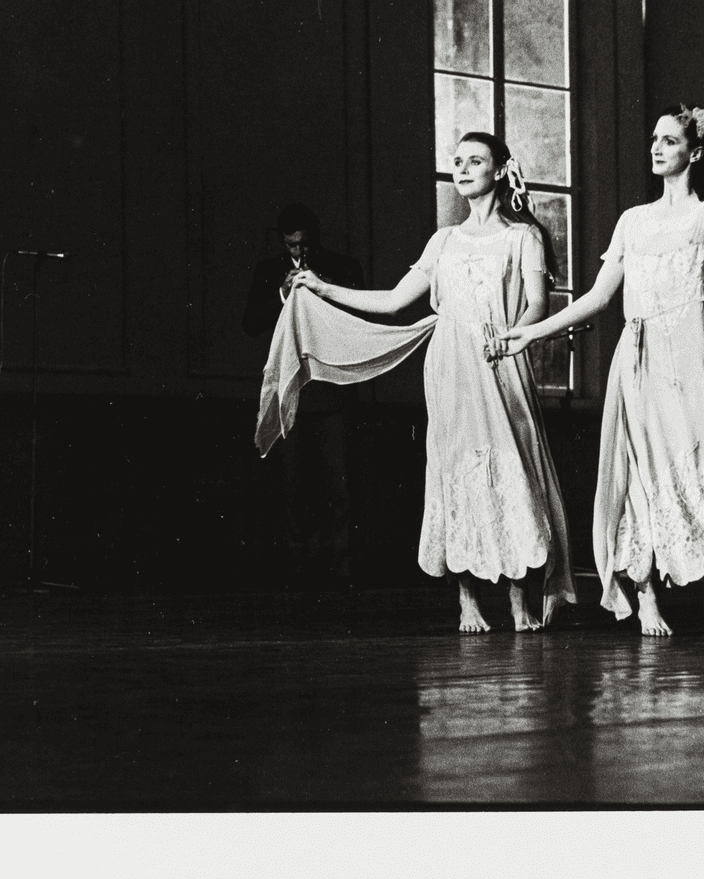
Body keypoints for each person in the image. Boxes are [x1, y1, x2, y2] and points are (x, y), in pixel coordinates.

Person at [497, 104, 704, 637]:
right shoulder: (634, 220)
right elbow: (599, 296)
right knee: (646, 474)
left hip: (695, 351)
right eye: (653, 139)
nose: (656, 148)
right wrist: (533, 331)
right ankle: (647, 596)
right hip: (642, 357)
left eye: (669, 141)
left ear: (694, 152)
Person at [257, 133, 576, 631]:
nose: (464, 169)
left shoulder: (522, 236)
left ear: (499, 170)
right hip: (451, 363)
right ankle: (467, 598)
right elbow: (391, 301)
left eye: (476, 161)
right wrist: (320, 286)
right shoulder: (443, 240)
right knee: (455, 472)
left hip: (500, 358)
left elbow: (537, 304)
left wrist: (517, 336)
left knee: (512, 470)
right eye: (458, 162)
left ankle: (518, 598)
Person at [244, 203, 364, 584]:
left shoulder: (344, 268)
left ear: (317, 239)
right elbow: (250, 324)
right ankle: (297, 568)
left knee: (338, 484)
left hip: (332, 393)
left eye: (305, 245)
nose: (299, 253)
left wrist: (321, 289)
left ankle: (341, 565)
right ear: (283, 241)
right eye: (292, 246)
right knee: (292, 486)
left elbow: (358, 322)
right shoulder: (268, 271)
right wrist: (282, 295)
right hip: (290, 394)